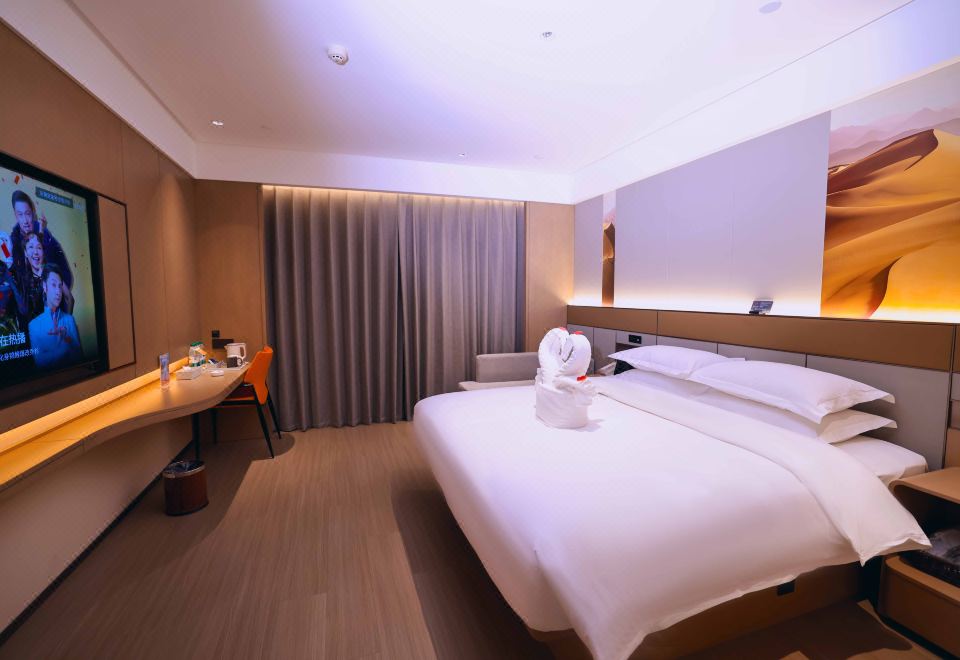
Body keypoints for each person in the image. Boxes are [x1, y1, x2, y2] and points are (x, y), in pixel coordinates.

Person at [9, 190, 72, 291]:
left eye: (28, 214)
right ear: (15, 215)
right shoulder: (13, 239)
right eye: (20, 214)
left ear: (33, 213)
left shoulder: (44, 234)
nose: (25, 221)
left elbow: (62, 272)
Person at [28, 264, 82, 370]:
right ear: (45, 286)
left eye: (60, 286)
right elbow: (40, 362)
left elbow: (79, 357)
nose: (58, 292)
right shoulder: (34, 325)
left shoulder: (69, 320)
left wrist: (66, 338)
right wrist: (64, 347)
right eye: (53, 285)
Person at [15, 232, 74, 320]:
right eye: (31, 247)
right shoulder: (25, 279)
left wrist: (66, 322)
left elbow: (69, 298)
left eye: (39, 247)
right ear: (26, 253)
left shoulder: (51, 272)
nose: (35, 252)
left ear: (43, 251)